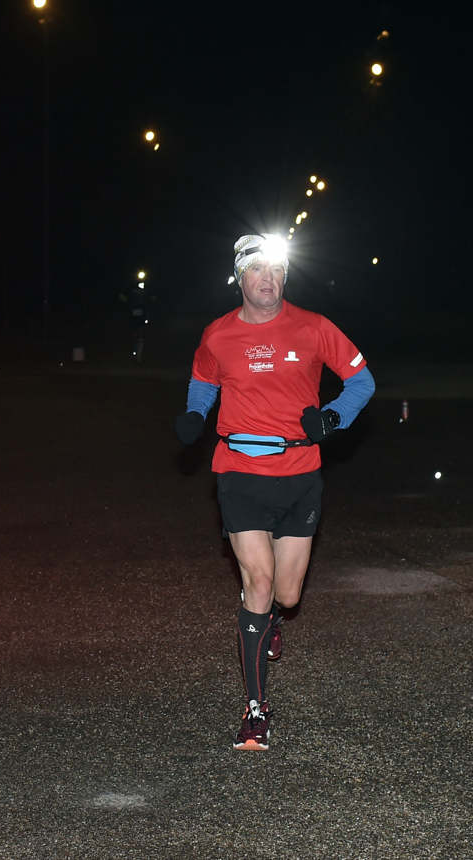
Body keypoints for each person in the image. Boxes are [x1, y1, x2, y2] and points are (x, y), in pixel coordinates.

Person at [175, 233, 375, 751]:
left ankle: (268, 621)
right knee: (259, 584)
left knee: (287, 594)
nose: (269, 278)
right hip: (239, 470)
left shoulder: (314, 327)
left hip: (300, 471)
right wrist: (197, 415)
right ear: (239, 277)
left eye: (278, 269)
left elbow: (362, 382)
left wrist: (331, 418)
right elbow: (203, 380)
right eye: (258, 269)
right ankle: (256, 711)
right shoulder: (217, 335)